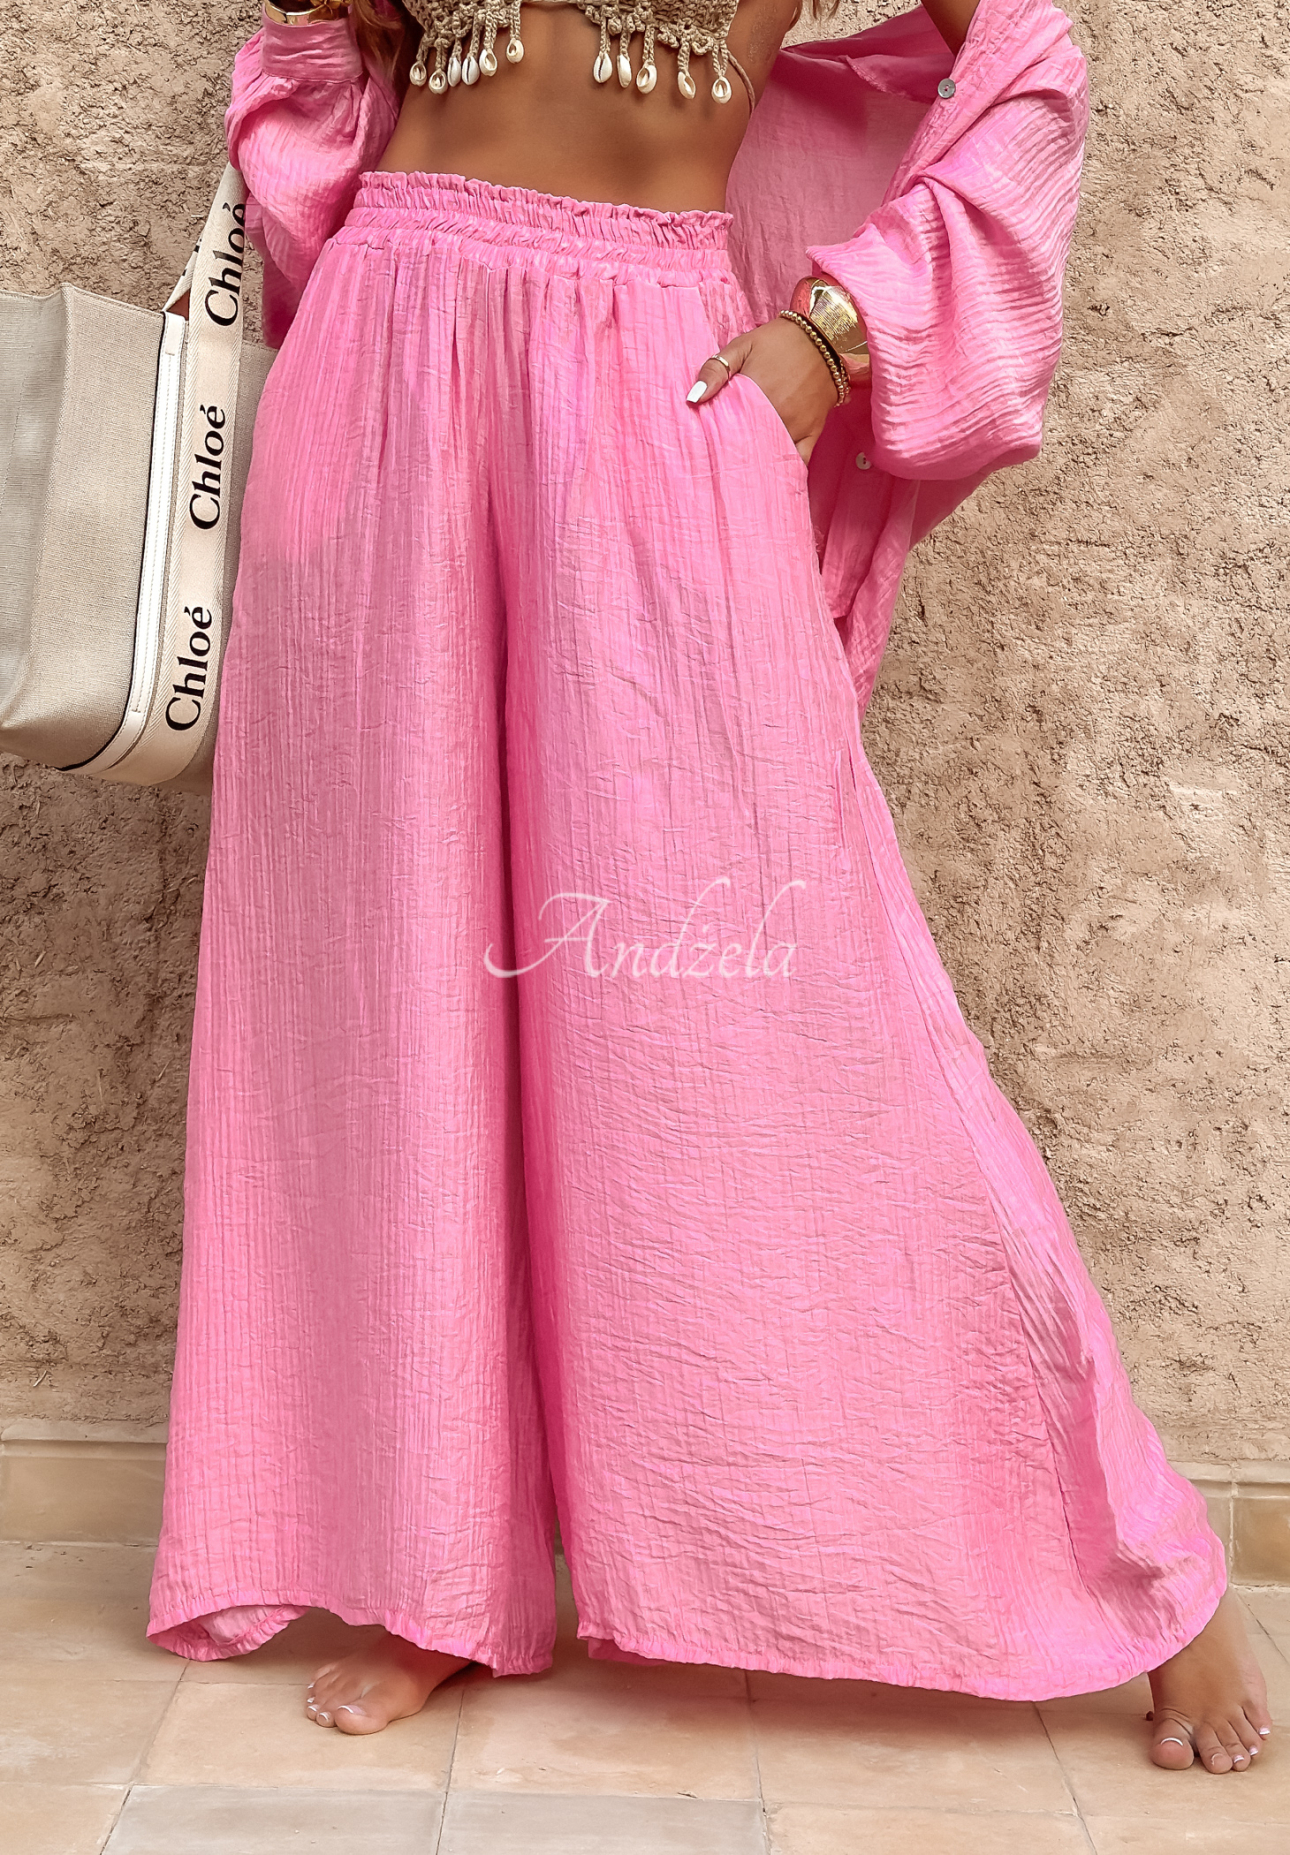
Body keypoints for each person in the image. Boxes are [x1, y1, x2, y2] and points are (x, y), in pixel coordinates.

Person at [144, 0, 1272, 1777]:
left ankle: (1134, 1557)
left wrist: (837, 325)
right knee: (388, 999)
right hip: (378, 351)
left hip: (646, 378)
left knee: (786, 1008)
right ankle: (438, 1574)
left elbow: (1026, 50)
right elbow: (328, 78)